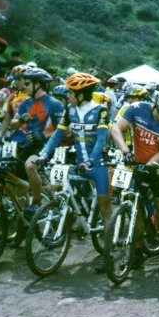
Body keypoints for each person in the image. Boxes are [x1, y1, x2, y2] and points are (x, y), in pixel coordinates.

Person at [36, 73, 111, 273]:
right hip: (78, 164)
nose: (67, 96)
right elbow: (57, 135)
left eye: (70, 93)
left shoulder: (100, 111)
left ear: (81, 94)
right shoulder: (70, 111)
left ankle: (109, 253)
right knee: (55, 187)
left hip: (98, 165)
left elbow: (101, 140)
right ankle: (68, 220)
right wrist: (43, 154)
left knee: (104, 206)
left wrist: (90, 161)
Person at [110, 84, 159, 275]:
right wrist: (125, 151)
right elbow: (116, 129)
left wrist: (149, 165)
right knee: (136, 210)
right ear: (154, 104)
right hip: (134, 162)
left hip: (155, 166)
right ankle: (138, 251)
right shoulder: (137, 108)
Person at [11, 68, 64, 220]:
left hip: (46, 146)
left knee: (30, 166)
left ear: (38, 84)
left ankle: (36, 202)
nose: (24, 87)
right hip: (28, 145)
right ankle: (25, 218)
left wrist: (43, 135)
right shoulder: (25, 103)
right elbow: (12, 124)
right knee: (19, 185)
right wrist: (21, 120)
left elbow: (64, 131)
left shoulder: (54, 104)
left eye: (27, 83)